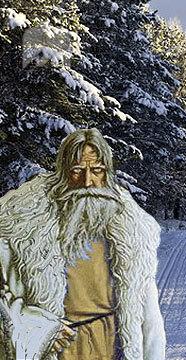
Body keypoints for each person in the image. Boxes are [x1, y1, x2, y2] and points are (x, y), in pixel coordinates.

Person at [0, 128, 166, 359]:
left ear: (106, 173)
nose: (87, 181)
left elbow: (147, 312)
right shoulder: (24, 224)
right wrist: (38, 328)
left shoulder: (131, 227)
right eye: (77, 170)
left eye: (96, 170)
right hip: (58, 348)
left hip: (112, 346)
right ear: (63, 173)